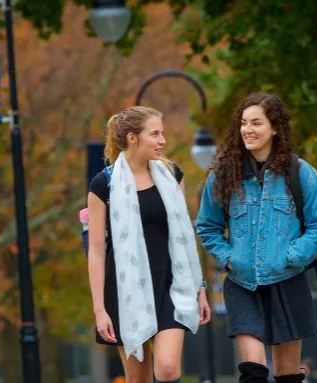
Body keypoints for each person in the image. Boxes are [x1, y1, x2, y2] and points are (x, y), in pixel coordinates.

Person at [196, 93, 317, 383]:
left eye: (257, 123)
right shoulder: (223, 176)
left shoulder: (301, 174)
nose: (248, 129)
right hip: (242, 283)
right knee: (254, 370)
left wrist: (292, 256)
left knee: (287, 374)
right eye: (244, 123)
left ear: (274, 128)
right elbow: (207, 227)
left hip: (288, 281)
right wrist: (228, 258)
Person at [87, 106, 211, 383]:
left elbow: (184, 236)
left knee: (167, 368)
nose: (162, 140)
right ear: (133, 138)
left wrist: (199, 288)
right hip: (124, 289)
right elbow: (96, 252)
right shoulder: (102, 185)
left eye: (162, 133)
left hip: (172, 284)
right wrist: (99, 310)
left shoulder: (172, 175)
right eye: (154, 134)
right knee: (138, 378)